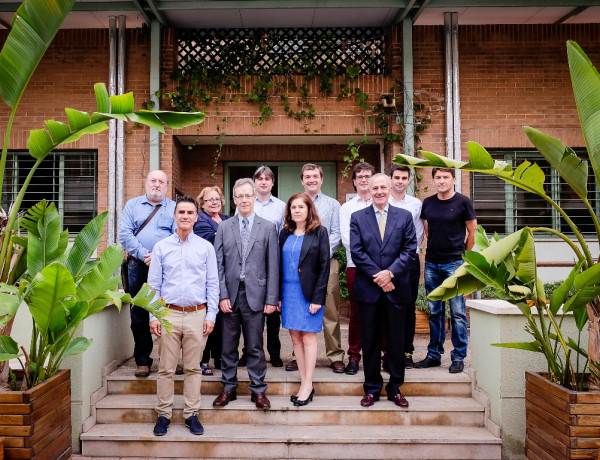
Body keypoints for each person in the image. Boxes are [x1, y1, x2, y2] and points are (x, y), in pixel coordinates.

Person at [148, 196, 219, 436]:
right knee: (166, 368)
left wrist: (211, 316)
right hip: (168, 314)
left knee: (193, 368)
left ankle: (191, 414)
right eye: (181, 212)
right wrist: (154, 317)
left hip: (197, 315)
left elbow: (213, 285)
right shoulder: (161, 247)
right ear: (175, 216)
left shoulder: (205, 248)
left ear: (196, 217)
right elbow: (153, 286)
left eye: (190, 212)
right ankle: (164, 414)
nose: (185, 216)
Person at [350, 173, 417, 408]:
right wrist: (380, 277)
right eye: (374, 187)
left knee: (396, 341)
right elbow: (357, 252)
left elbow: (410, 249)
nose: (378, 191)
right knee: (370, 341)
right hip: (369, 289)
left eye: (382, 187)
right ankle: (371, 389)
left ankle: (396, 388)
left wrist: (390, 274)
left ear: (390, 189)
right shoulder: (358, 217)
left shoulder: (405, 216)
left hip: (396, 288)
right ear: (368, 190)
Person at [213, 178, 279, 409]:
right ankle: (228, 388)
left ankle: (258, 390)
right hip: (230, 296)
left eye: (247, 195)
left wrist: (272, 298)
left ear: (254, 197)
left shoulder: (269, 227)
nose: (243, 200)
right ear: (233, 199)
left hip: (256, 296)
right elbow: (217, 265)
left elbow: (273, 266)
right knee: (228, 346)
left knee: (254, 346)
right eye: (239, 196)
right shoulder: (223, 227)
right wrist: (221, 296)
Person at [415, 168, 477, 374]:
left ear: (454, 179)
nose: (441, 181)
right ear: (433, 180)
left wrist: (464, 258)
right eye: (438, 178)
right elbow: (427, 230)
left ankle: (458, 357)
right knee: (435, 312)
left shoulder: (463, 202)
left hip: (455, 264)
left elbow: (472, 232)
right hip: (432, 264)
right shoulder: (428, 203)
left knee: (458, 313)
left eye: (445, 177)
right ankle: (434, 355)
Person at [118, 169, 176, 378]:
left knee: (170, 311)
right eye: (153, 180)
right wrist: (145, 255)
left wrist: (160, 256)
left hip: (168, 266)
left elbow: (178, 235)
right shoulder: (132, 205)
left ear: (166, 186)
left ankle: (170, 359)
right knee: (140, 313)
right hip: (138, 265)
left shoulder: (174, 208)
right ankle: (142, 360)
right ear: (146, 183)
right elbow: (124, 234)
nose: (157, 184)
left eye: (161, 181)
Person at [287, 163, 344, 374]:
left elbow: (337, 233)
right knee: (301, 307)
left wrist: (319, 253)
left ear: (322, 179)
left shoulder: (333, 205)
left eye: (315, 176)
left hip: (327, 263)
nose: (311, 179)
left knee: (329, 309)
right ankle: (297, 355)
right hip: (299, 267)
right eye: (307, 177)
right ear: (302, 180)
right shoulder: (296, 203)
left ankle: (335, 355)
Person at [279, 193, 330, 406]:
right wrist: (277, 297)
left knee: (308, 338)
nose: (297, 210)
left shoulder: (319, 232)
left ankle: (308, 385)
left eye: (301, 207)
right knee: (295, 338)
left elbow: (324, 267)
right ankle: (303, 381)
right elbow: (278, 266)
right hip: (288, 294)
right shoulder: (284, 233)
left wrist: (318, 298)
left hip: (309, 294)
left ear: (309, 209)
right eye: (293, 207)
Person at [238, 166, 286, 368]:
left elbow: (284, 234)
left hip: (273, 261)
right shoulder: (248, 202)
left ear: (273, 183)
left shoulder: (282, 206)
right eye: (260, 179)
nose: (264, 182)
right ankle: (247, 352)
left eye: (267, 179)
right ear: (254, 182)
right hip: (252, 263)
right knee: (249, 312)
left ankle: (274, 352)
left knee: (272, 310)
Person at [338, 162, 375, 375]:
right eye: (359, 176)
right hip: (356, 267)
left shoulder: (383, 204)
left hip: (382, 269)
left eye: (367, 176)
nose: (364, 180)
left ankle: (384, 355)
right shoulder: (347, 208)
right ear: (354, 181)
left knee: (382, 313)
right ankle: (354, 356)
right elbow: (347, 239)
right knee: (356, 314)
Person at [388, 165, 425, 369]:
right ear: (390, 179)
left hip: (410, 261)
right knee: (387, 305)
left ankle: (407, 351)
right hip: (386, 262)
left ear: (409, 180)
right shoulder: (384, 200)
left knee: (408, 306)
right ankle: (389, 350)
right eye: (396, 177)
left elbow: (418, 234)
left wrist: (405, 254)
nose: (400, 181)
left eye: (404, 178)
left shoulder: (415, 204)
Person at [194, 186, 230, 375]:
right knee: (207, 318)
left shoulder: (226, 219)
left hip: (224, 274)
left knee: (222, 320)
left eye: (217, 199)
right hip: (206, 275)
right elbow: (211, 239)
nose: (215, 202)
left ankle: (219, 357)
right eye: (209, 200)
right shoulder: (200, 219)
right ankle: (203, 360)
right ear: (202, 203)